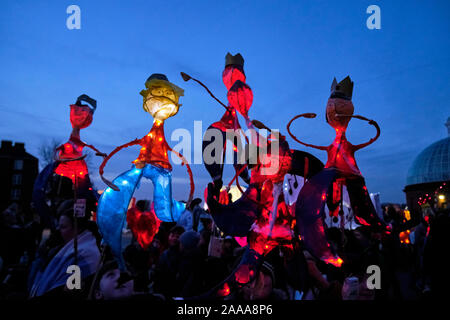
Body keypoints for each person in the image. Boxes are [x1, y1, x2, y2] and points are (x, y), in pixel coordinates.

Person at [28, 200, 101, 298]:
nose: (58, 230)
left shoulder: (84, 254)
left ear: (77, 228)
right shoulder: (62, 247)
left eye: (63, 227)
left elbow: (66, 292)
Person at [153, 225, 184, 297]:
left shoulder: (183, 255)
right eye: (172, 235)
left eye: (177, 236)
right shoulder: (164, 253)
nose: (174, 238)